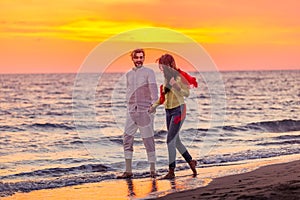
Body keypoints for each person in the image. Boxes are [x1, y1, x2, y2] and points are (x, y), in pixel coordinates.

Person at [149, 53, 198, 179]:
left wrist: (176, 86)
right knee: (176, 141)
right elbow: (163, 98)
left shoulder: (180, 77)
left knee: (170, 140)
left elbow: (187, 93)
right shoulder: (166, 79)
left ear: (171, 64)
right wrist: (154, 106)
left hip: (179, 111)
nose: (163, 69)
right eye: (162, 67)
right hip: (168, 111)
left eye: (165, 66)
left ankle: (171, 172)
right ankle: (191, 162)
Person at [117, 48, 158, 179]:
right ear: (133, 59)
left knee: (148, 140)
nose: (139, 60)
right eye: (137, 58)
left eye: (141, 57)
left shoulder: (149, 72)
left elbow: (154, 89)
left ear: (144, 58)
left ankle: (153, 170)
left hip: (145, 110)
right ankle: (128, 171)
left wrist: (153, 106)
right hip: (131, 111)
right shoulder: (128, 74)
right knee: (127, 139)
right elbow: (128, 90)